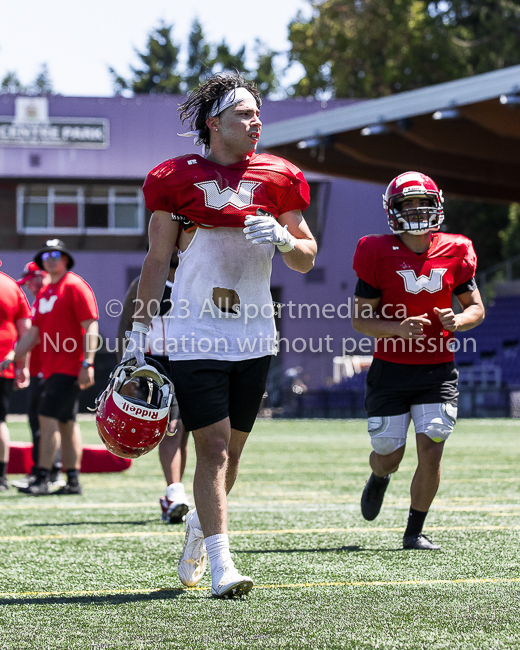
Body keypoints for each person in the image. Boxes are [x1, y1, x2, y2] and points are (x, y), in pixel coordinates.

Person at [122, 73, 316, 597]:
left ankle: (198, 533)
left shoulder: (280, 177)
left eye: (258, 115)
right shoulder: (173, 176)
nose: (256, 124)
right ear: (214, 124)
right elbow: (157, 258)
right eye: (244, 116)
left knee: (231, 454)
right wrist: (141, 329)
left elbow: (307, 257)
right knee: (212, 448)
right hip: (194, 327)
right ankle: (222, 566)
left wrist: (281, 235)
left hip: (254, 331)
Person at [352, 171, 485, 550]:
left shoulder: (456, 248)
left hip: (437, 369)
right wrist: (396, 328)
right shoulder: (375, 250)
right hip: (390, 371)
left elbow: (475, 308)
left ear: (437, 207)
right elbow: (361, 319)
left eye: (422, 205)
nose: (415, 212)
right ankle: (379, 478)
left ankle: (414, 531)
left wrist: (457, 321)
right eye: (407, 205)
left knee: (432, 447)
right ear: (393, 211)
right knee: (389, 455)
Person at [0, 239, 99, 496]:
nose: (51, 259)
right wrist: (12, 355)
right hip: (53, 368)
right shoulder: (46, 292)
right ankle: (73, 481)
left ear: (66, 259)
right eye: (46, 255)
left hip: (70, 366)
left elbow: (90, 325)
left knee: (47, 418)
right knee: (66, 422)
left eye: (56, 254)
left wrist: (88, 362)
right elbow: (33, 333)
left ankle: (43, 478)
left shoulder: (75, 286)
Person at [117, 250, 190, 524]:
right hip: (156, 366)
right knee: (173, 428)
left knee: (187, 432)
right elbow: (125, 325)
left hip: (194, 360)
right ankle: (174, 493)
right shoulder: (145, 283)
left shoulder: (198, 278)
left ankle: (174, 494)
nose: (173, 248)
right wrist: (126, 374)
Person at [11, 261, 64, 490]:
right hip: (40, 370)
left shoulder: (52, 299)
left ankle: (51, 471)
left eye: (32, 281)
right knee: (38, 423)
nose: (30, 287)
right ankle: (45, 471)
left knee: (47, 423)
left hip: (49, 370)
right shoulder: (42, 301)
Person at [0, 263, 31, 491]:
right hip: (4, 364)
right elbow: (25, 332)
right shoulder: (12, 286)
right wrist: (23, 366)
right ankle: (1, 477)